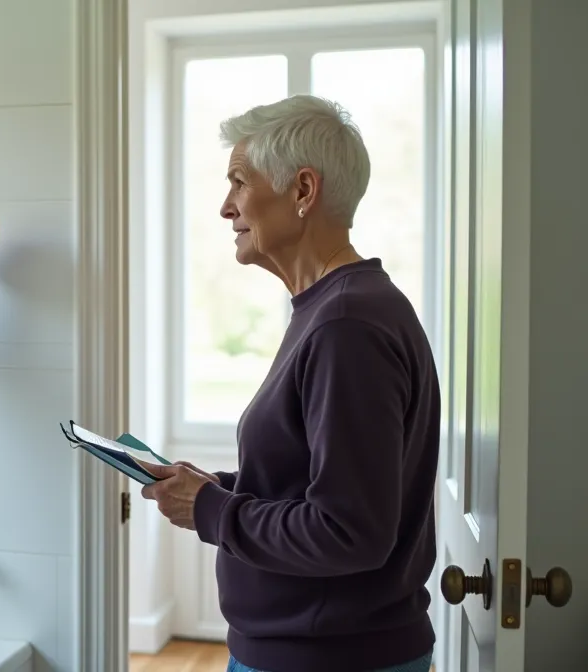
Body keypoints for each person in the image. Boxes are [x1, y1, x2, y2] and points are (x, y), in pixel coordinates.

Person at [139, 94, 439, 672]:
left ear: (303, 191)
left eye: (238, 181)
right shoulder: (335, 308)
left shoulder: (346, 324)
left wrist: (210, 509)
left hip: (327, 660)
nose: (226, 207)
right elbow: (322, 482)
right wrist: (221, 486)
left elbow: (348, 531)